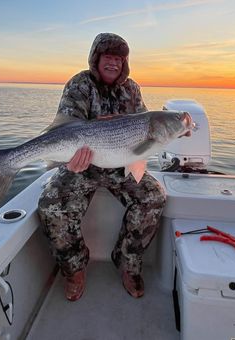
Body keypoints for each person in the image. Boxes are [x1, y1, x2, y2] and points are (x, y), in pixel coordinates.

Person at [38, 33, 166, 301]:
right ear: (96, 58)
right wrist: (70, 162)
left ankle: (128, 264)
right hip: (81, 165)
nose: (113, 63)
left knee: (153, 196)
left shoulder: (132, 89)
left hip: (121, 167)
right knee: (51, 205)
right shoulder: (79, 84)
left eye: (119, 58)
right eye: (108, 56)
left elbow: (144, 130)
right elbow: (66, 127)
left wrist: (174, 132)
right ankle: (74, 269)